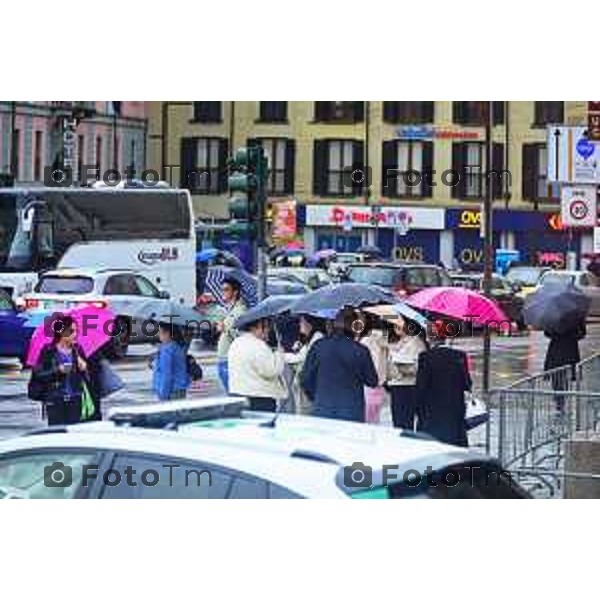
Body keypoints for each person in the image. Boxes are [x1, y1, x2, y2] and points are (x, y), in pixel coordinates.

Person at [301, 309, 378, 422]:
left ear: (330, 325)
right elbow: (372, 381)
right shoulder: (360, 350)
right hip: (352, 413)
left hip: (322, 410)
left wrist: (318, 397)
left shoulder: (318, 346)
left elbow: (305, 380)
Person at [415, 320, 472, 447]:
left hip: (431, 410)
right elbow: (467, 384)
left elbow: (421, 386)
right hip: (454, 408)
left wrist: (416, 408)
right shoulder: (459, 355)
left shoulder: (425, 357)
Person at [30, 316, 88, 426]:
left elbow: (86, 376)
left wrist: (84, 368)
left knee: (73, 433)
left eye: (76, 331)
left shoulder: (78, 349)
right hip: (55, 399)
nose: (74, 334)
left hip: (75, 398)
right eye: (71, 331)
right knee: (56, 433)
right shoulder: (48, 350)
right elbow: (39, 374)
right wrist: (58, 370)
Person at [228, 318, 288, 412]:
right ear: (258, 326)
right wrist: (279, 353)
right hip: (259, 398)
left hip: (238, 394)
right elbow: (271, 371)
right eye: (266, 326)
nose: (268, 330)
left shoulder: (236, 343)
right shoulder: (258, 345)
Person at [385, 318, 427, 430]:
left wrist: (405, 368)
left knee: (404, 423)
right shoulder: (397, 343)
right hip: (396, 387)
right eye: (395, 325)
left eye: (400, 324)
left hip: (408, 387)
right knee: (398, 423)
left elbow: (421, 366)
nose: (396, 327)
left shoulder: (416, 342)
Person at [285, 316, 327, 414]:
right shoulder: (308, 338)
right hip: (301, 384)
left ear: (310, 324)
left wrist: (281, 355)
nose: (300, 325)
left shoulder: (317, 337)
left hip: (309, 385)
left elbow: (303, 357)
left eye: (302, 322)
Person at [544, 320, 586, 411]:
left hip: (556, 349)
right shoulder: (576, 315)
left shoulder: (552, 316)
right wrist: (573, 336)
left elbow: (547, 333)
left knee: (557, 375)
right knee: (564, 375)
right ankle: (560, 399)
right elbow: (582, 333)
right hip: (570, 348)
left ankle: (559, 399)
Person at [216, 277, 247, 392]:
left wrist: (225, 328)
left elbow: (241, 336)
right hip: (225, 358)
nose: (223, 292)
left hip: (230, 360)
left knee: (234, 396)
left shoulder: (240, 311)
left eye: (226, 289)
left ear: (235, 292)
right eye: (222, 289)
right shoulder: (230, 309)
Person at [357, 313, 389, 424]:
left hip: (366, 385)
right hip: (380, 384)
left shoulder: (365, 341)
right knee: (375, 419)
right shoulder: (386, 339)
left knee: (366, 421)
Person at [153, 322, 190, 401]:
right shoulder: (178, 346)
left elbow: (166, 374)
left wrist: (163, 394)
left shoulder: (166, 349)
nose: (158, 335)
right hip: (180, 388)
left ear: (167, 333)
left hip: (170, 391)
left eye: (160, 332)